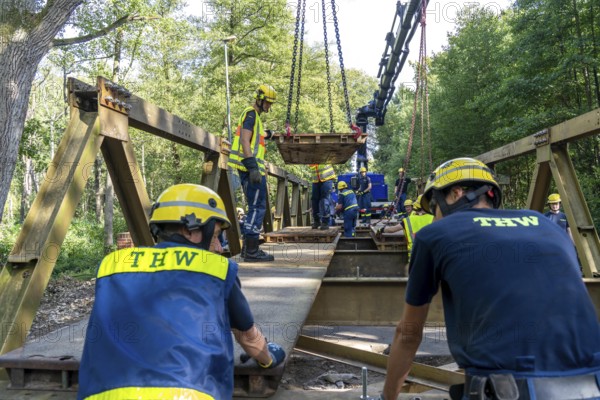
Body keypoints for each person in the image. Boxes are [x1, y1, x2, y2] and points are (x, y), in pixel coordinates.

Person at [381, 158, 600, 400]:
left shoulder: (434, 234)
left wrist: (387, 397)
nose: (434, 216)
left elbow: (408, 334)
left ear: (456, 193)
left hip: (508, 390)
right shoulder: (546, 226)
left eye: (434, 206)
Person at [78, 184, 286, 400]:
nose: (218, 248)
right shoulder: (215, 269)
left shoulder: (113, 264)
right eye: (215, 236)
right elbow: (249, 339)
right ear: (191, 230)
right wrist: (268, 357)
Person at [228, 84, 277, 262]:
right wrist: (252, 166)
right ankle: (252, 251)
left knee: (254, 207)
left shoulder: (253, 117)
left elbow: (256, 136)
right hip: (250, 169)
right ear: (260, 99)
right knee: (258, 207)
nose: (269, 107)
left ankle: (247, 249)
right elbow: (244, 140)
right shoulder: (250, 114)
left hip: (248, 169)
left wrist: (270, 134)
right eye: (268, 103)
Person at [309, 164, 337, 230]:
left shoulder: (325, 154)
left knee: (324, 200)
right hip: (315, 180)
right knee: (314, 200)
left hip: (326, 178)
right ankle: (316, 221)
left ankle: (325, 222)